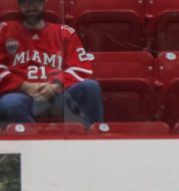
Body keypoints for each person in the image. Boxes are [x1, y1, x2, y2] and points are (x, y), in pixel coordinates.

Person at [0, 0, 103, 128]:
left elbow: (82, 68)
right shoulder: (4, 30)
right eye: (26, 3)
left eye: (36, 2)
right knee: (10, 103)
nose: (31, 7)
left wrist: (55, 85)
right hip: (21, 95)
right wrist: (24, 86)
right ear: (19, 5)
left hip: (58, 94)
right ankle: (36, 144)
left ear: (44, 3)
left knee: (90, 87)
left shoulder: (65, 32)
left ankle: (91, 141)